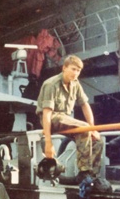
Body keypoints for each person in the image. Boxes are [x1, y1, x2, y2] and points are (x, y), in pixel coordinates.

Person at [36, 55, 103, 183]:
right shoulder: (51, 84)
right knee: (84, 128)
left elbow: (85, 105)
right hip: (52, 118)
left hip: (66, 119)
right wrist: (49, 144)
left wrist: (93, 128)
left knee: (98, 140)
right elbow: (46, 113)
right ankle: (84, 172)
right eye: (73, 69)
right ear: (64, 68)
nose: (76, 73)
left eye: (78, 70)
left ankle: (93, 176)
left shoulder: (75, 84)